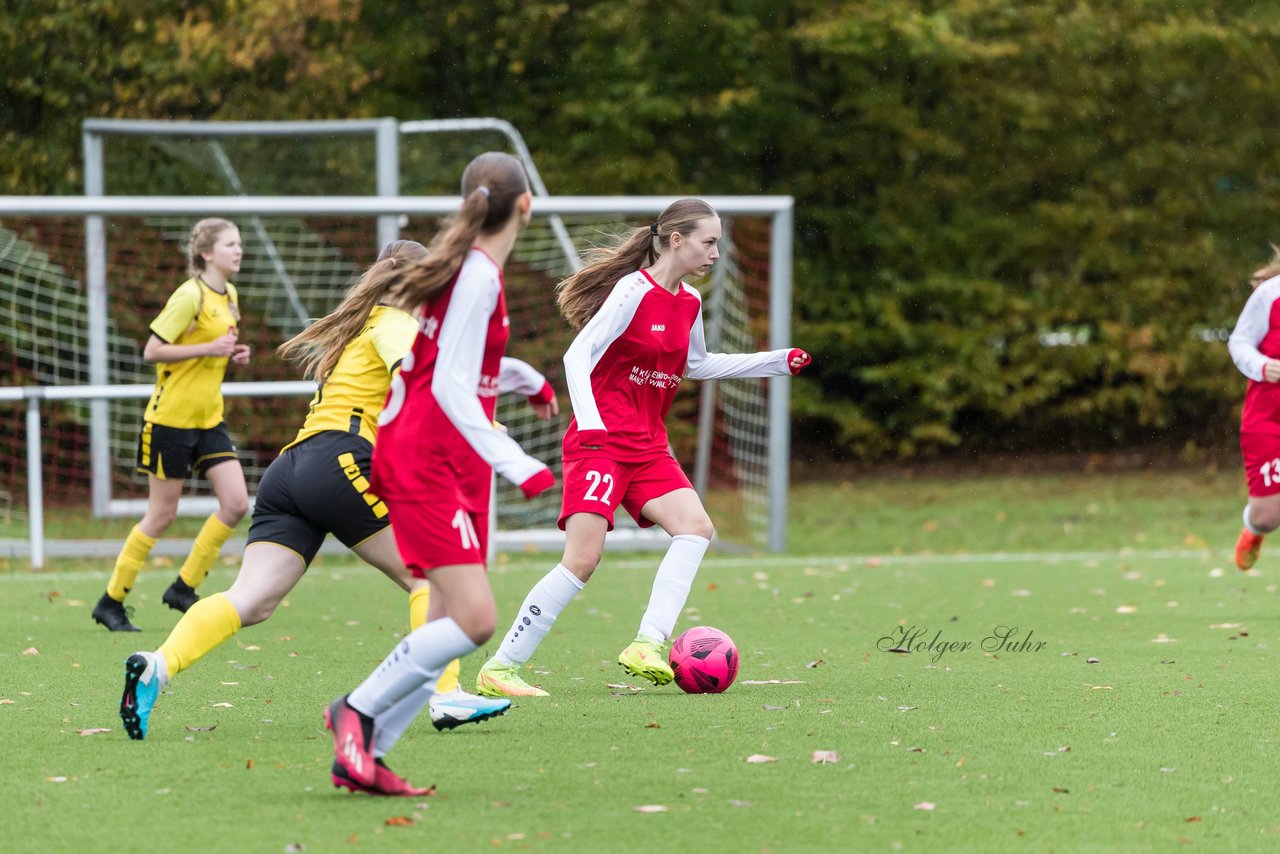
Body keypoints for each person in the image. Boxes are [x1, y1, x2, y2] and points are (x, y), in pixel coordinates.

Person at [116, 241, 557, 771]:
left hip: (291, 470)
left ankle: (157, 667)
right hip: (342, 461)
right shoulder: (395, 323)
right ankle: (445, 696)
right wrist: (489, 431)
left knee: (251, 600)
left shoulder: (361, 326)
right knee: (433, 578)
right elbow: (421, 385)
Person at [473, 198, 810, 698]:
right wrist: (589, 424)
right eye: (709, 242)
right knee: (583, 559)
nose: (715, 253)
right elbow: (577, 355)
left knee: (695, 529)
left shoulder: (690, 302)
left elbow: (697, 365)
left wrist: (774, 361)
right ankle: (501, 667)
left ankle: (647, 643)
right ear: (677, 240)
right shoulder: (632, 290)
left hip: (649, 447)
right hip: (600, 445)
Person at [324, 152, 555, 796]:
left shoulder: (466, 271)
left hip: (432, 453)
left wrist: (523, 379)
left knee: (442, 618)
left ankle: (365, 753)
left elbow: (444, 369)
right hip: (426, 457)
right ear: (526, 206)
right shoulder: (477, 276)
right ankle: (357, 711)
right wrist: (519, 463)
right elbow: (450, 387)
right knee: (476, 619)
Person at [93, 218, 252, 632]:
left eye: (239, 243)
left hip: (209, 419)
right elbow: (152, 350)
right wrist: (208, 347)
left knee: (236, 503)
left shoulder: (230, 295)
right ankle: (111, 601)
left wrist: (230, 355)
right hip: (170, 421)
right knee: (162, 515)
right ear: (206, 253)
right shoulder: (189, 295)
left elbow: (210, 352)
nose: (238, 250)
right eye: (230, 244)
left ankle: (184, 587)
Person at [1229, 246, 1280, 570]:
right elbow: (1239, 342)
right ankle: (1253, 529)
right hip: (1268, 419)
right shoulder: (1270, 294)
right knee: (1268, 516)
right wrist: (1263, 366)